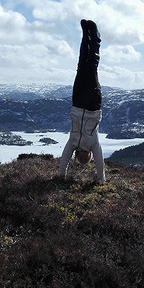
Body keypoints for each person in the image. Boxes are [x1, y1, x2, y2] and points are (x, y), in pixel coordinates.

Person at [59, 19, 106, 182]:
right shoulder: (92, 142)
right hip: (89, 105)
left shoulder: (74, 142)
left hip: (80, 104)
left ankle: (86, 34)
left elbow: (65, 159)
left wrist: (61, 176)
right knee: (90, 66)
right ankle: (95, 36)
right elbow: (100, 162)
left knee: (83, 66)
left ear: (85, 155)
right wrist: (101, 180)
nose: (90, 155)